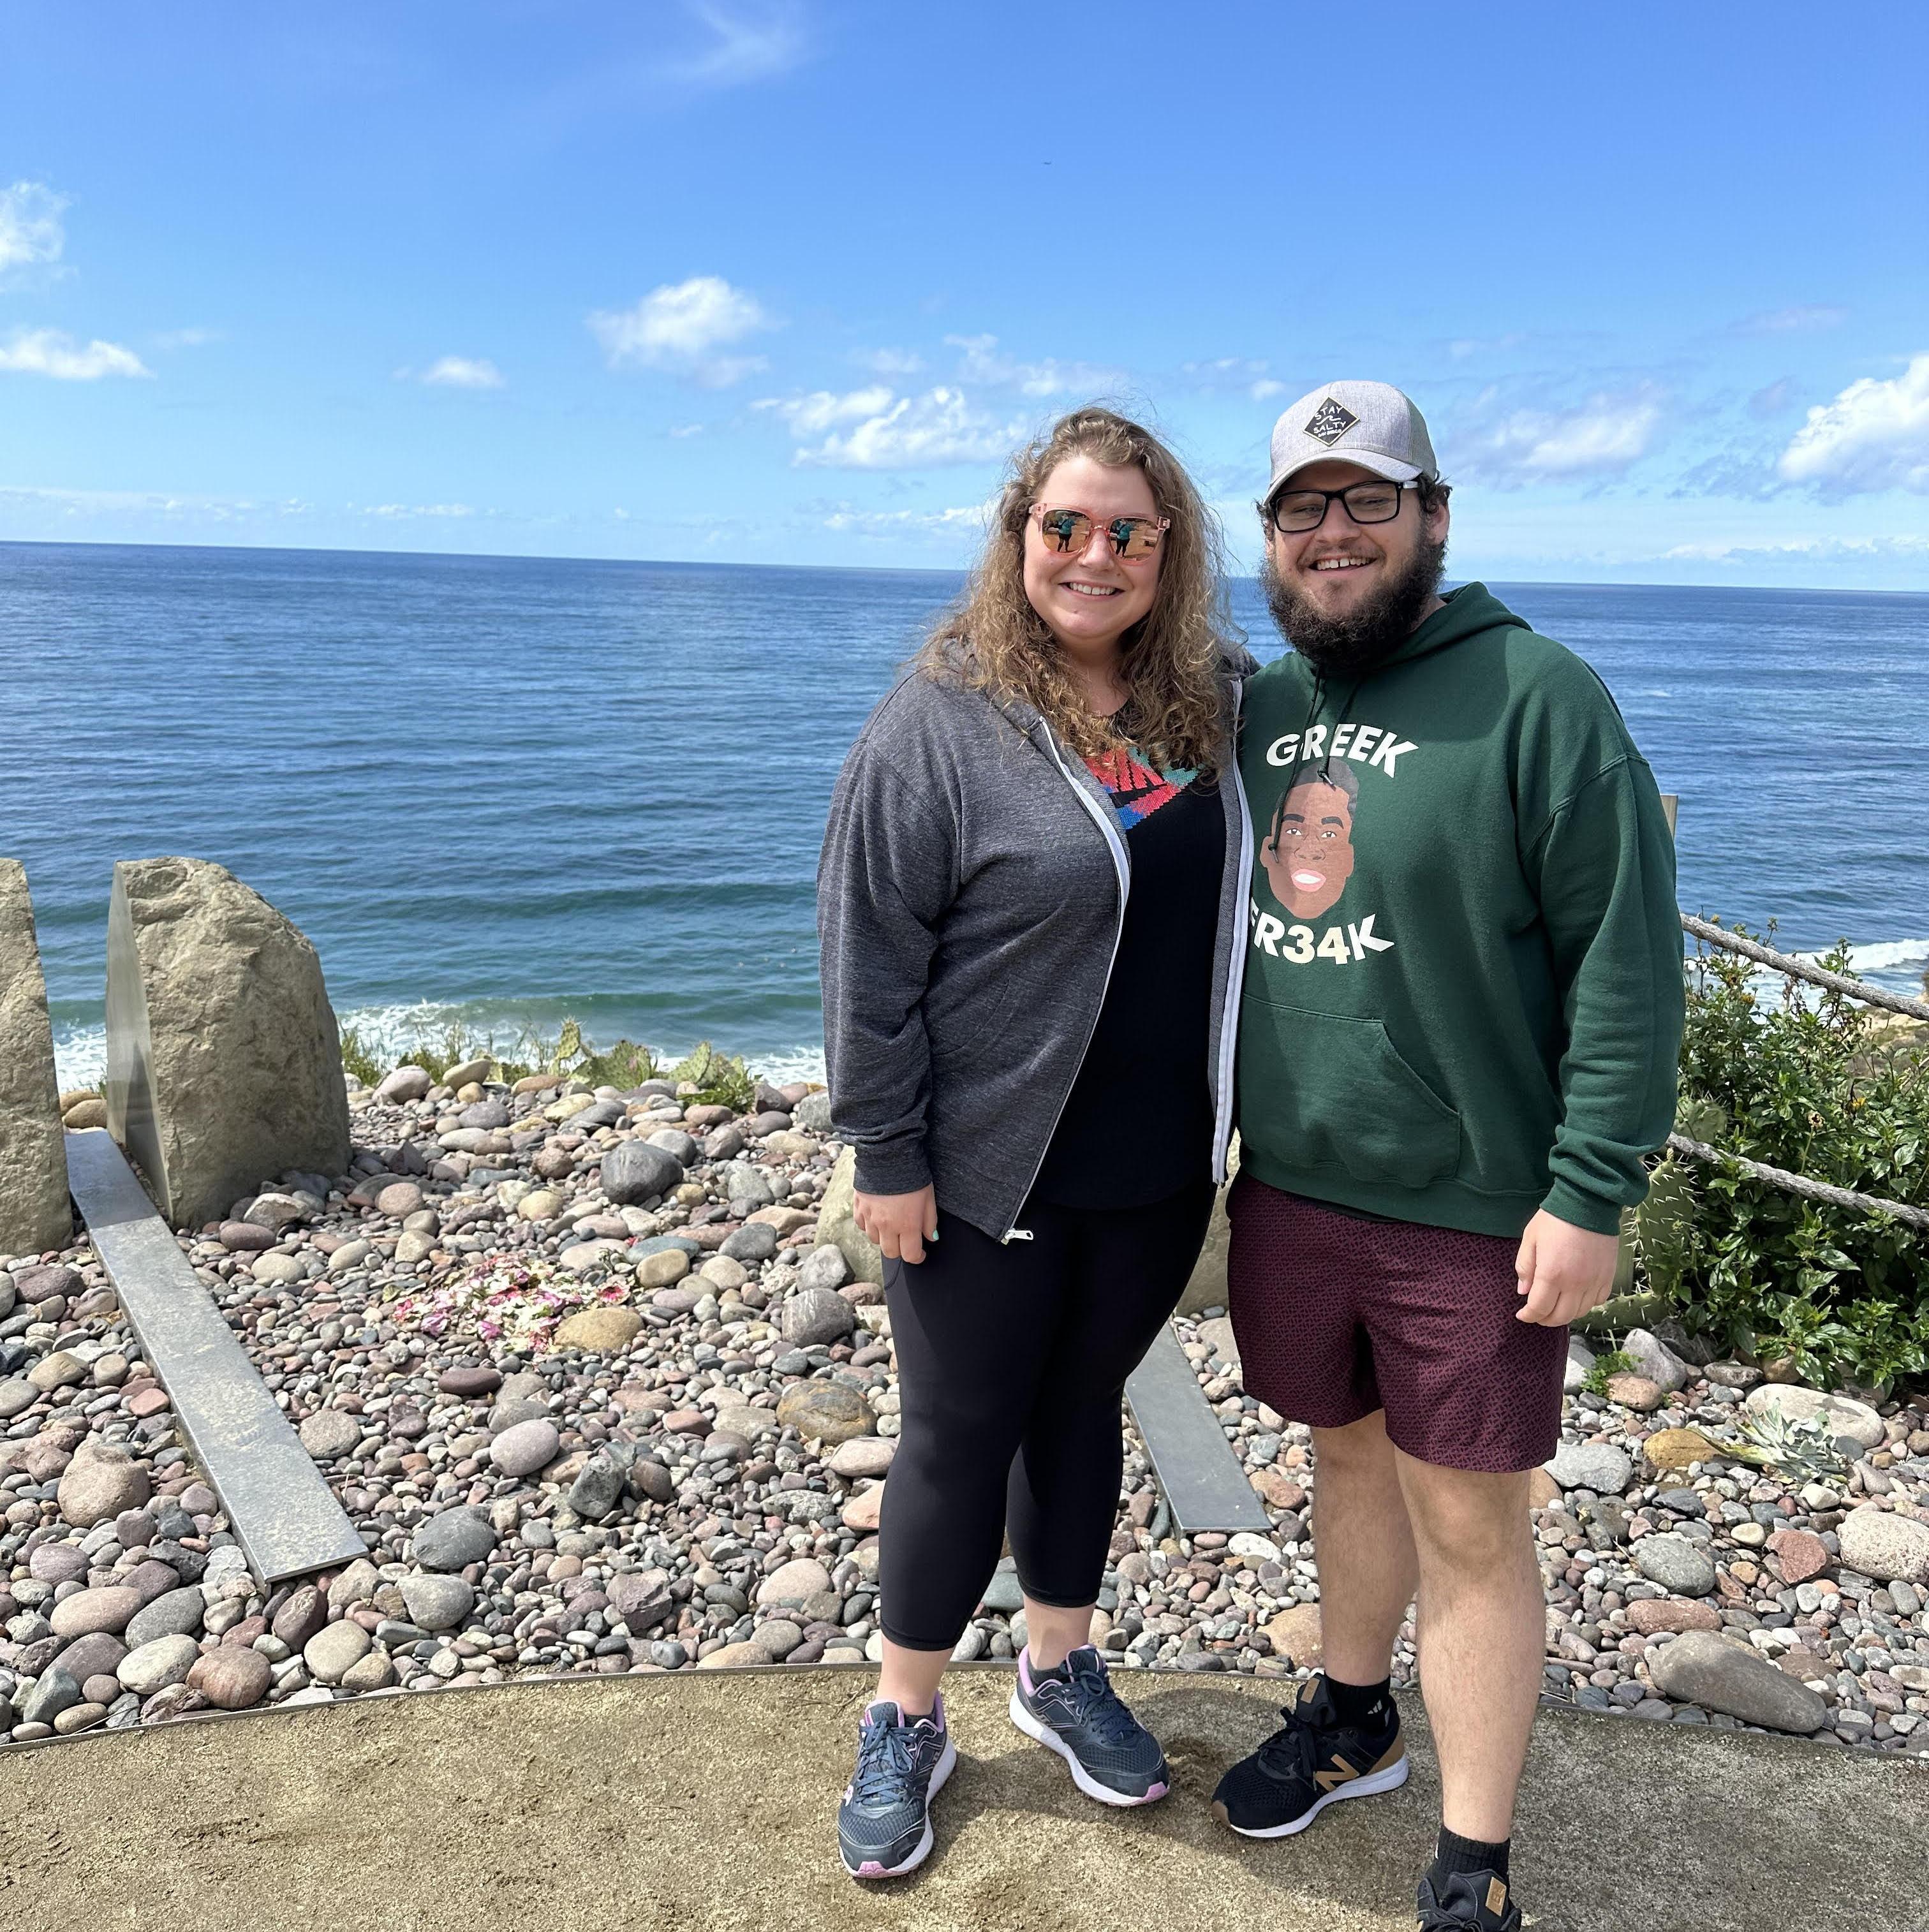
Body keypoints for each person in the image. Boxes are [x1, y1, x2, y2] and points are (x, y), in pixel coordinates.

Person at [1210, 381, 1683, 1932]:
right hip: (1295, 1186)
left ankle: (1476, 1863)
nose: (1334, 532)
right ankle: (1355, 1720)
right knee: (1343, 1455)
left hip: (1474, 1206)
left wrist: (1592, 1187)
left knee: (1472, 1522)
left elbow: (1625, 961)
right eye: (1305, 506)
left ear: (1434, 515)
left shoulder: (1540, 696)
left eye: (1369, 498)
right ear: (1272, 536)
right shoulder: (1264, 706)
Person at [817, 407, 1255, 1880]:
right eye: (1064, 526)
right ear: (1020, 538)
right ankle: (904, 1715)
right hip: (984, 1166)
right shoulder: (940, 718)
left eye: (1129, 531)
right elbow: (869, 950)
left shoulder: (1215, 705)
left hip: (1156, 1164)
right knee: (959, 1431)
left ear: (1170, 552)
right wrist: (887, 1153)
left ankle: (1058, 1669)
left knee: (1081, 1409)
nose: (1094, 555)